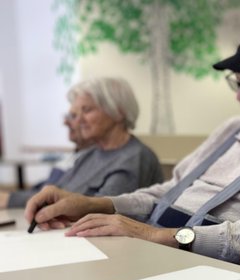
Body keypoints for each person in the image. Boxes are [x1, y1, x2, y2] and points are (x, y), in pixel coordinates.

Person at [25, 18, 240, 264]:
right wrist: (95, 204)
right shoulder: (231, 129)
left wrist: (163, 236)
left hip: (216, 268)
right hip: (162, 251)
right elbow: (168, 190)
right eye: (236, 84)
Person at [1, 77, 163, 209]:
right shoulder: (89, 154)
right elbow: (52, 192)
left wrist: (9, 199)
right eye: (76, 114)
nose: (78, 121)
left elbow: (101, 209)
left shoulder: (135, 157)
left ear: (119, 112)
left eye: (87, 110)